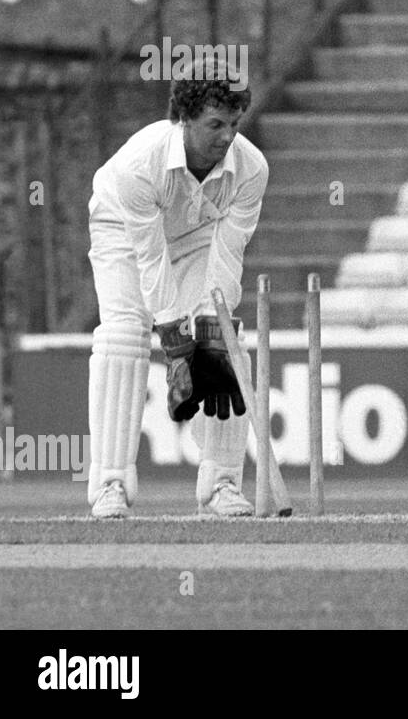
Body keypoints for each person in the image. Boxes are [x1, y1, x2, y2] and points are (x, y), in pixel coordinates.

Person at [86, 71, 268, 518]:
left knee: (224, 346)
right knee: (124, 335)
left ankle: (222, 483)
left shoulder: (252, 168)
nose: (227, 136)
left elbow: (228, 255)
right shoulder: (139, 165)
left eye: (234, 124)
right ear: (184, 119)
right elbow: (149, 257)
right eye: (215, 125)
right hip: (123, 232)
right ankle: (111, 482)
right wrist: (176, 345)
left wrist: (208, 332)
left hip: (197, 235)